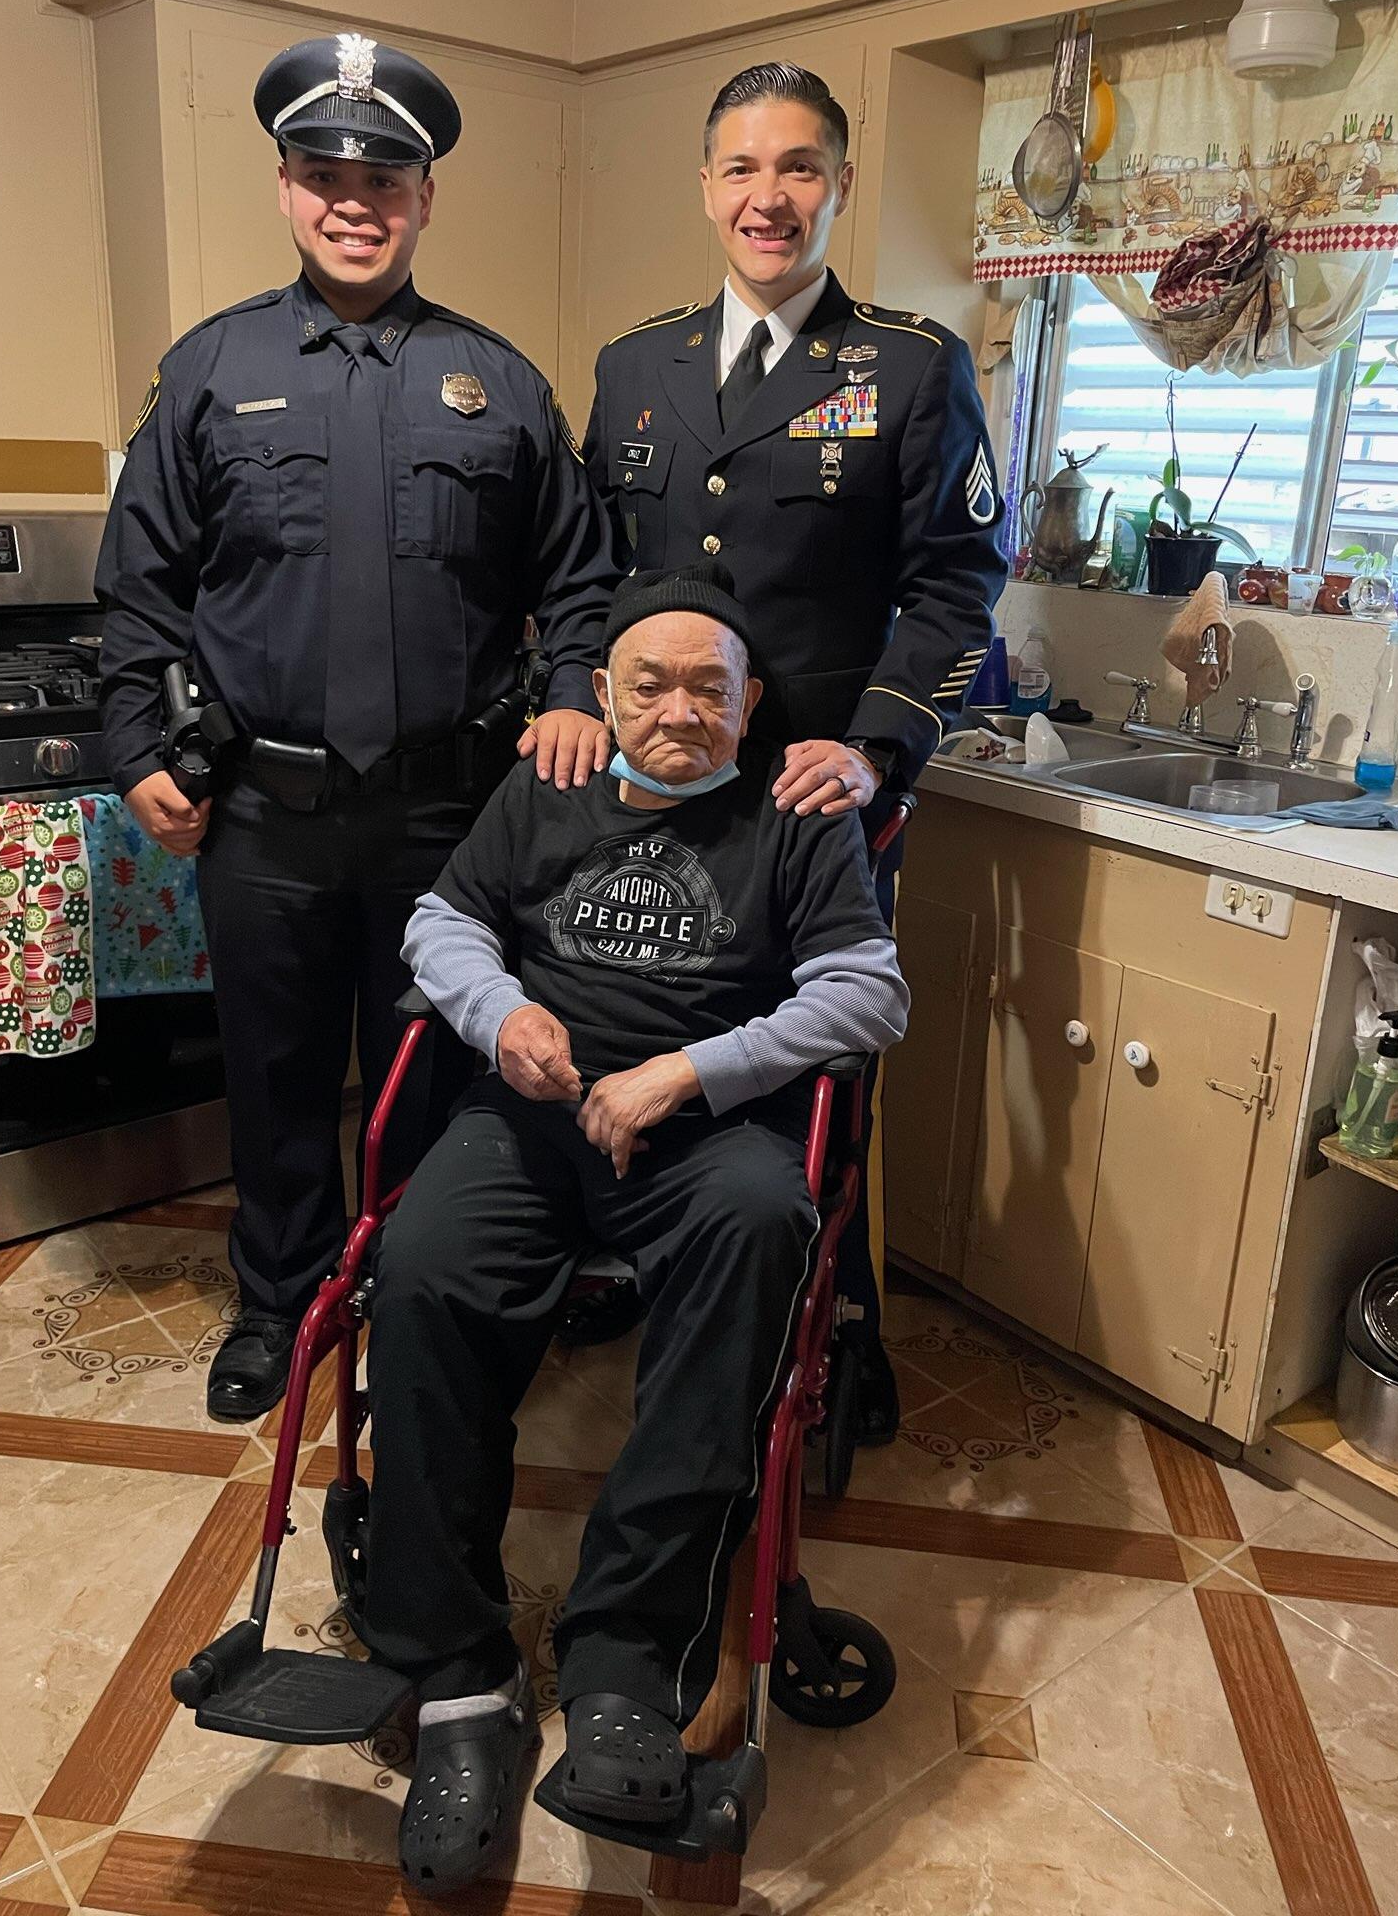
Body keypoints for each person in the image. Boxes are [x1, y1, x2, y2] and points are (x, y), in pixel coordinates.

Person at [362, 561, 909, 1895]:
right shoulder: (546, 785)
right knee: (420, 1265)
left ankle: (624, 1666)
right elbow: (441, 925)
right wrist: (504, 1017)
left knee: (763, 1226)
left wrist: (692, 1072)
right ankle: (455, 1686)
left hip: (708, 1138)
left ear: (749, 703)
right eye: (650, 683)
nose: (680, 709)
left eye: (708, 688)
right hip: (532, 1123)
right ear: (603, 694)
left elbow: (867, 995)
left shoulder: (796, 813)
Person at [95, 33, 617, 1423]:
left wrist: (574, 695)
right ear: (284, 186)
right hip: (259, 811)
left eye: (384, 177)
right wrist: (138, 746)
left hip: (446, 819)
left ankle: (415, 1295)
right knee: (271, 1078)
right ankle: (284, 1305)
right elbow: (138, 589)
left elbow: (579, 587)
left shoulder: (500, 384)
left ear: (426, 197)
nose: (354, 200)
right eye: (325, 173)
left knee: (430, 1078)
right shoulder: (210, 370)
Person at [578, 61, 1009, 1433]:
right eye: (744, 170)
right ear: (707, 187)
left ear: (836, 185)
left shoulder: (911, 363)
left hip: (810, 799)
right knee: (636, 1018)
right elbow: (595, 575)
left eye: (800, 168)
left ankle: (834, 1320)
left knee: (813, 1064)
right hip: (651, 790)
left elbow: (957, 584)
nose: (770, 198)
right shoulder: (636, 365)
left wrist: (878, 746)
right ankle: (649, 1260)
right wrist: (579, 701)